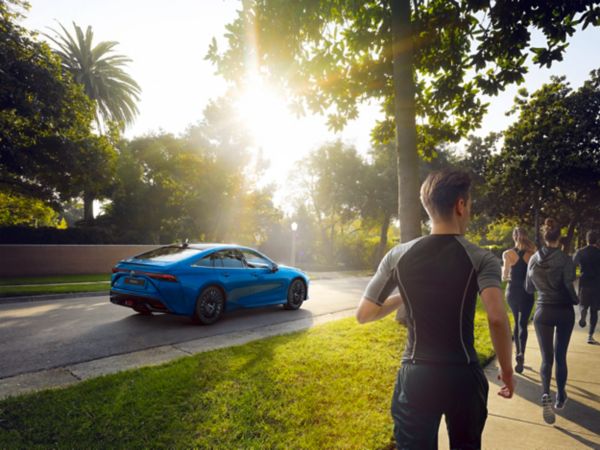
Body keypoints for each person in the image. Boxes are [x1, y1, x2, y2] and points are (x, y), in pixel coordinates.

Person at [356, 169, 514, 450]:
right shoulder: (481, 257)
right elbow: (497, 318)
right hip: (463, 375)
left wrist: (404, 296)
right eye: (470, 206)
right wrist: (507, 370)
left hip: (417, 374)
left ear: (428, 206)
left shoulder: (397, 255)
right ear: (460, 205)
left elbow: (364, 314)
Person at [525, 218, 578, 424]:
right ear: (559, 236)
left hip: (543, 312)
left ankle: (545, 392)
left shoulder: (533, 259)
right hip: (564, 311)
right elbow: (568, 286)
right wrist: (576, 299)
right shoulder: (566, 259)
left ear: (544, 236)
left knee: (546, 358)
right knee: (560, 355)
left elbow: (529, 288)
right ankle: (560, 395)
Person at [502, 228, 536, 373]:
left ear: (514, 237)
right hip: (527, 292)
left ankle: (517, 353)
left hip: (512, 292)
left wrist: (508, 276)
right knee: (523, 324)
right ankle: (522, 354)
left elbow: (504, 276)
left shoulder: (508, 254)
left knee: (516, 321)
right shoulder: (533, 254)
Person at [573, 230, 600, 344]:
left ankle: (583, 313)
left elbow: (573, 264)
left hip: (584, 283)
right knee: (594, 311)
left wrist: (573, 277)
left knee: (583, 303)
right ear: (597, 240)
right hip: (597, 285)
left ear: (586, 239)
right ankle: (590, 335)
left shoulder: (580, 252)